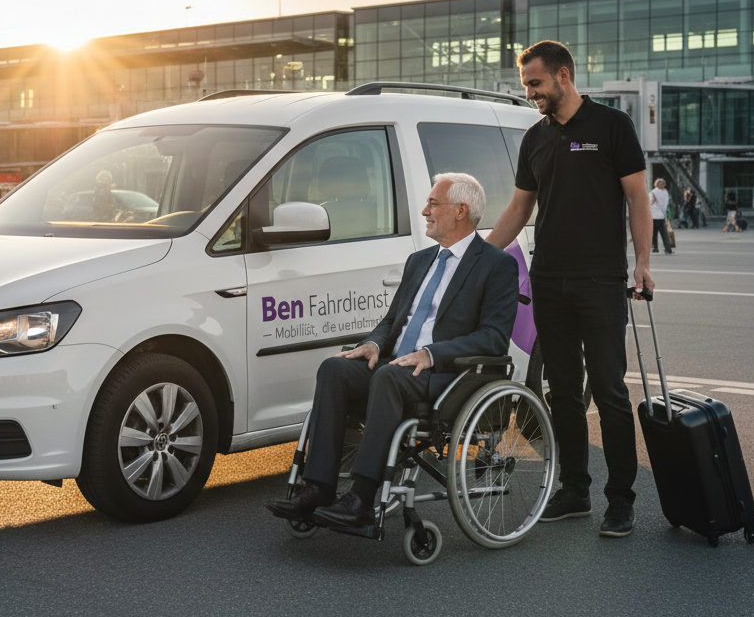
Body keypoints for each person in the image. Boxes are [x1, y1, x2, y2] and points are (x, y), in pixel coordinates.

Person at [266, 172, 519, 530]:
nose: (424, 211)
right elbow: (392, 320)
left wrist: (432, 353)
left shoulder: (496, 265)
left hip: (445, 374)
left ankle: (362, 500)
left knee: (388, 377)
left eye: (433, 203)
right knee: (333, 368)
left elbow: (493, 337)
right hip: (395, 365)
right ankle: (319, 488)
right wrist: (371, 344)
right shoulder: (420, 260)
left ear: (460, 211)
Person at [487, 40, 654, 538]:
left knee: (608, 391)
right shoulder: (535, 138)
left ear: (563, 76)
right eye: (526, 86)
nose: (531, 93)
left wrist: (642, 264)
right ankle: (575, 490)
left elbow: (637, 199)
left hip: (601, 281)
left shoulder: (611, 126)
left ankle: (620, 500)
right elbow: (519, 209)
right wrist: (479, 258)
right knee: (562, 392)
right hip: (549, 281)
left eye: (535, 84)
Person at [650, 178, 672, 254]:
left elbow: (651, 202)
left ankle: (655, 248)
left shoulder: (654, 192)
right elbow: (666, 203)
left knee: (654, 233)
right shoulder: (666, 192)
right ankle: (668, 248)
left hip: (654, 215)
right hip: (662, 215)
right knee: (664, 233)